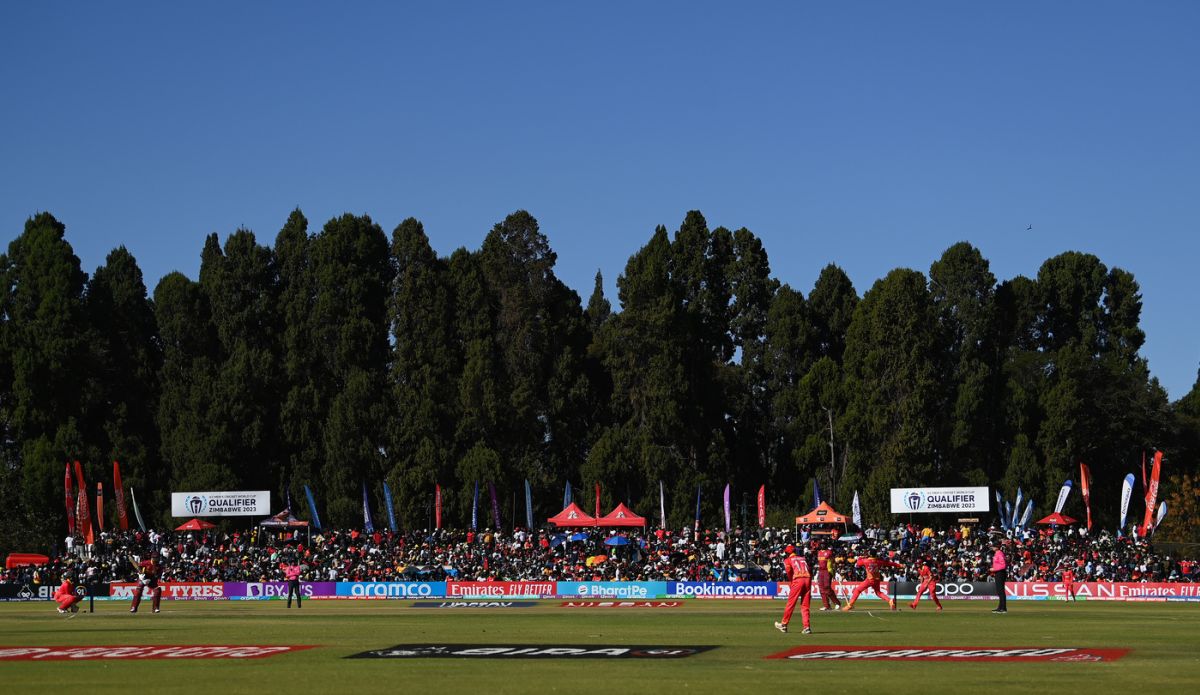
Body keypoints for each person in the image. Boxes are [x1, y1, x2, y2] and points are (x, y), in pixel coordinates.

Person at [774, 545, 812, 634]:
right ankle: (806, 627)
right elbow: (809, 569)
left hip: (798, 580)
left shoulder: (788, 560)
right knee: (805, 605)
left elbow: (789, 572)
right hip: (808, 579)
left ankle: (784, 624)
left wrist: (792, 582)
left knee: (791, 603)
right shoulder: (802, 558)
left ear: (787, 553)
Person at [815, 542, 841, 611]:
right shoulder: (819, 552)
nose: (822, 545)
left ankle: (837, 603)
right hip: (820, 571)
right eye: (821, 544)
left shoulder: (829, 552)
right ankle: (826, 606)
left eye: (824, 543)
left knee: (827, 588)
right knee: (821, 589)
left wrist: (835, 572)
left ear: (826, 545)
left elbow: (833, 562)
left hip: (827, 571)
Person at [990, 539, 1007, 613]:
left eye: (993, 546)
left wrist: (994, 569)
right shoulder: (997, 553)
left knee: (1001, 591)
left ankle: (1003, 608)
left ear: (997, 547)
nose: (992, 548)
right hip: (998, 573)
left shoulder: (999, 553)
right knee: (999, 591)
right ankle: (1000, 607)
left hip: (1000, 572)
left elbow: (1003, 565)